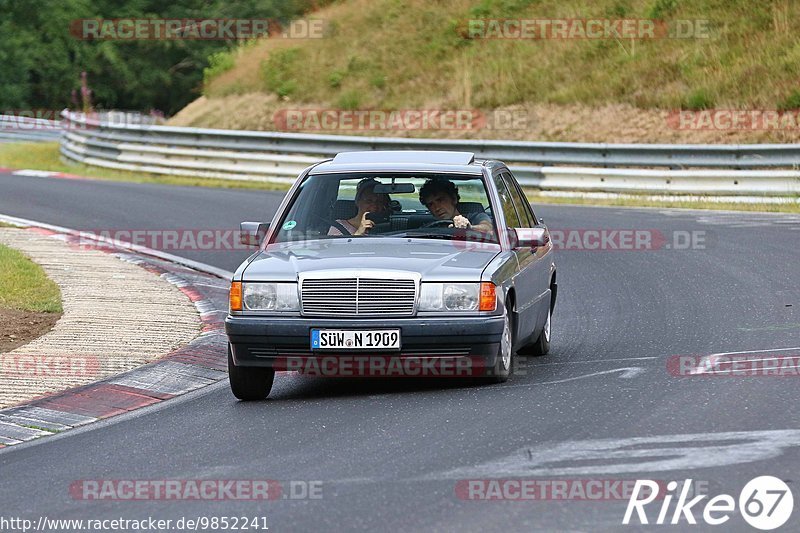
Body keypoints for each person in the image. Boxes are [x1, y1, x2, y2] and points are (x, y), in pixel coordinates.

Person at [418, 177, 494, 233]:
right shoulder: (428, 228)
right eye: (431, 204)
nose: (437, 208)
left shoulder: (476, 217)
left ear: (454, 199)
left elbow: (487, 228)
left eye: (440, 200)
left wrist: (470, 227)